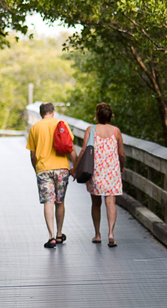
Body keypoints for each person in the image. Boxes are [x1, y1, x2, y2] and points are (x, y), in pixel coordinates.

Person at [74, 102, 125, 247]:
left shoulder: (91, 129)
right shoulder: (116, 131)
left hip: (95, 171)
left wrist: (76, 168)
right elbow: (121, 154)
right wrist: (122, 166)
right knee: (111, 202)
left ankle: (97, 234)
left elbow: (83, 150)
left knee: (96, 203)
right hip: (112, 172)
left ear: (97, 116)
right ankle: (111, 233)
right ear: (111, 116)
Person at [27, 102, 75, 249]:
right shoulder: (61, 124)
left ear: (41, 113)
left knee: (48, 201)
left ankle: (51, 236)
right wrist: (75, 167)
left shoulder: (35, 128)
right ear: (53, 112)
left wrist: (37, 169)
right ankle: (60, 233)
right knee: (60, 202)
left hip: (43, 169)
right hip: (61, 168)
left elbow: (33, 154)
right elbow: (70, 146)